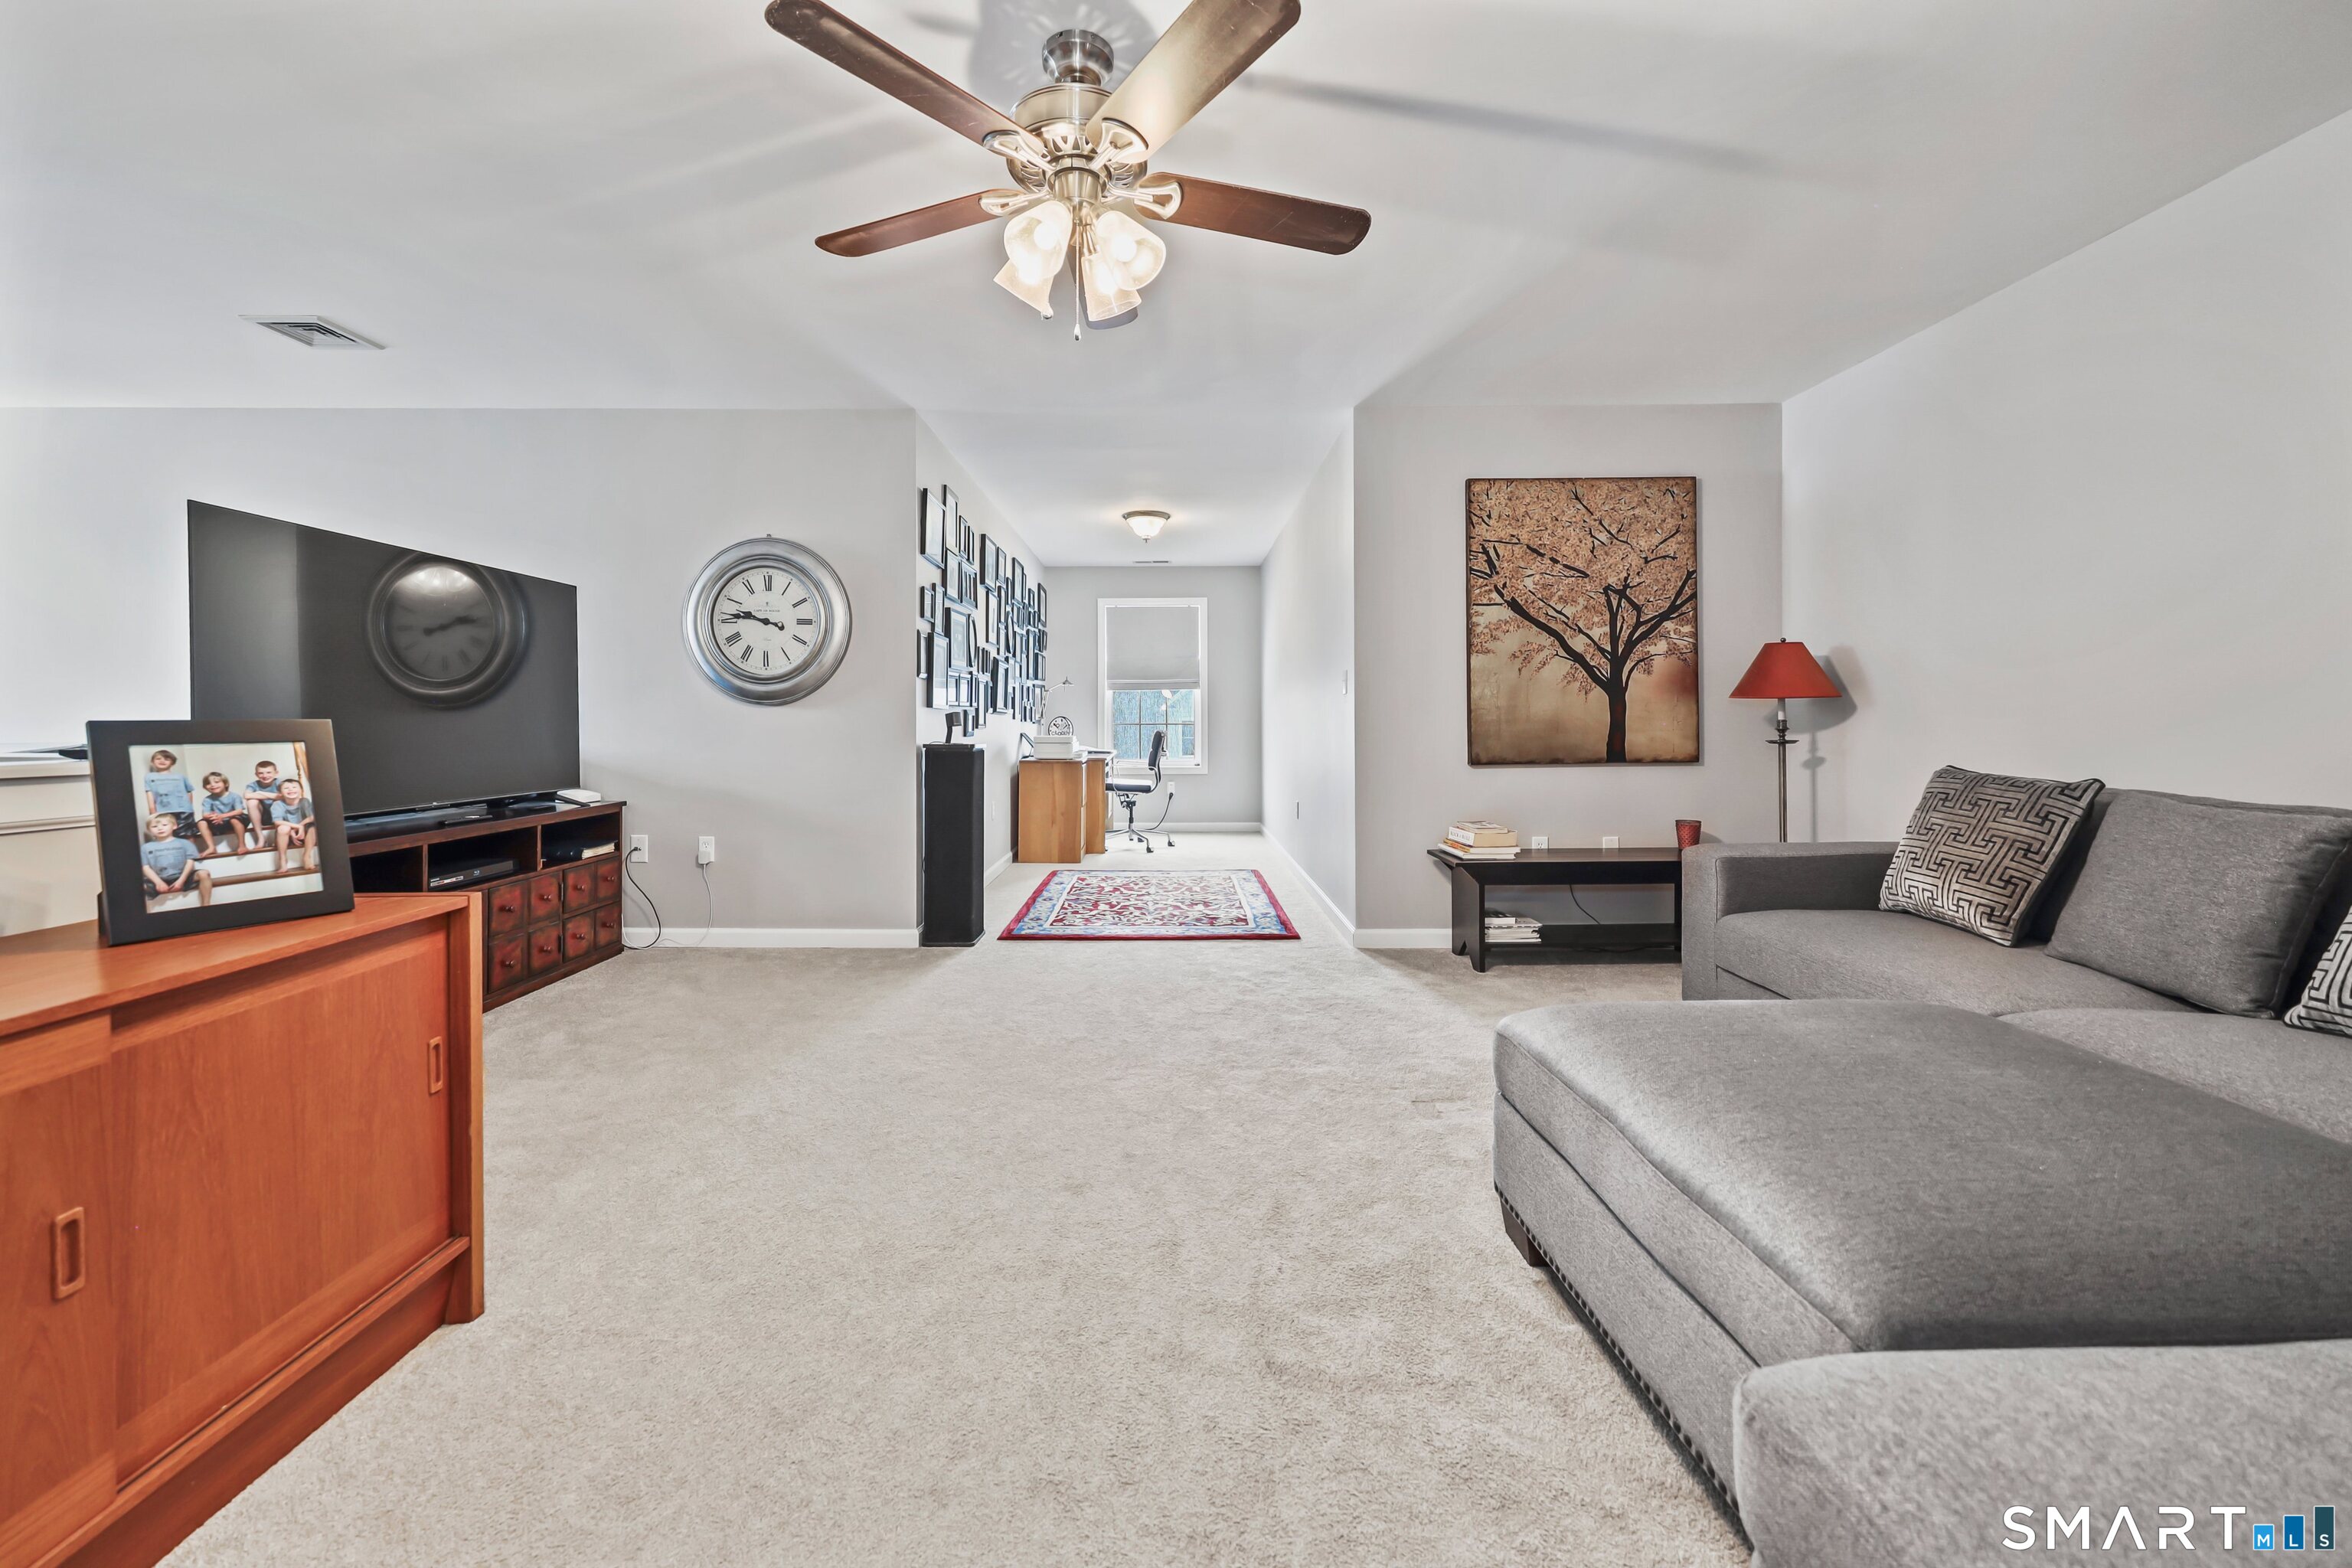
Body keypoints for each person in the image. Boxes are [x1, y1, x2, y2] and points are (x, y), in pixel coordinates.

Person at [140, 812, 213, 906]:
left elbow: (190, 863)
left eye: (164, 825)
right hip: (159, 878)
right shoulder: (146, 847)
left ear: (174, 826)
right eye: (154, 826)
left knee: (204, 873)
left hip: (183, 876)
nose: (160, 828)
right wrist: (158, 882)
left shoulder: (185, 843)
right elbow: (145, 867)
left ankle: (206, 905)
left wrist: (181, 881)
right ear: (149, 830)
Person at [143, 749, 197, 842]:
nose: (162, 761)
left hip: (184, 810)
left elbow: (189, 791)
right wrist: (152, 811)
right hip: (163, 811)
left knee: (187, 833)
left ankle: (191, 854)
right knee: (167, 834)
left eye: (166, 759)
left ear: (172, 763)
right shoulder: (150, 777)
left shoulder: (180, 777)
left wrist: (189, 807)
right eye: (158, 759)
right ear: (152, 762)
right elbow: (149, 793)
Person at [194, 770, 247, 856]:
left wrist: (222, 816)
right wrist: (214, 817)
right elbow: (205, 815)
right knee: (201, 823)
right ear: (205, 787)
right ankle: (211, 847)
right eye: (208, 783)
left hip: (234, 819)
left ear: (225, 784)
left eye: (217, 782)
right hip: (218, 821)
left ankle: (242, 845)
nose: (212, 785)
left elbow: (239, 811)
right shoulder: (208, 799)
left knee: (235, 820)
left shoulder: (234, 796)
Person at [271, 777, 318, 874]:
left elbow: (311, 817)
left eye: (294, 787)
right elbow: (278, 822)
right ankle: (283, 860)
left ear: (301, 790)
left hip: (303, 834)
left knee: (312, 826)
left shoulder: (304, 801)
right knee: (283, 828)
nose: (291, 790)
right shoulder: (277, 804)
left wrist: (299, 827)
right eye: (286, 788)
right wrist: (295, 828)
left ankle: (307, 856)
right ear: (280, 793)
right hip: (286, 836)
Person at [241, 760, 283, 841]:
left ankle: (278, 836)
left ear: (276, 773)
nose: (265, 775)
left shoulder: (280, 783)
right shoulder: (253, 785)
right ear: (256, 774)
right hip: (263, 816)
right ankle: (260, 838)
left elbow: (282, 797)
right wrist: (274, 796)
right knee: (251, 802)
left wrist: (260, 793)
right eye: (261, 773)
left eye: (269, 772)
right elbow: (246, 795)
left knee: (278, 801)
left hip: (279, 816)